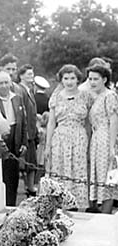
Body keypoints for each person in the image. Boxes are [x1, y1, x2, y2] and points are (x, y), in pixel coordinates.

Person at [45, 64, 92, 210]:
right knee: (60, 169)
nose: (69, 81)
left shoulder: (85, 96)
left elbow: (89, 123)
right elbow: (51, 123)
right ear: (62, 80)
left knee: (78, 169)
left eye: (72, 78)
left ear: (78, 79)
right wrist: (47, 145)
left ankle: (78, 204)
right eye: (66, 78)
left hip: (79, 136)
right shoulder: (56, 97)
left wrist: (89, 143)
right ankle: (59, 203)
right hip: (60, 137)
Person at [0, 71, 28, 206]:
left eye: (6, 82)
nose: (4, 86)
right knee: (0, 173)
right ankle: (0, 203)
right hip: (0, 138)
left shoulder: (17, 98)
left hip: (15, 137)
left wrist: (24, 142)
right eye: (0, 83)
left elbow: (23, 122)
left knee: (13, 174)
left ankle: (11, 204)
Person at [87, 65, 118, 214]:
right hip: (96, 137)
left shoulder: (109, 95)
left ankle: (106, 212)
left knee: (107, 176)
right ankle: (98, 208)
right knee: (99, 174)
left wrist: (112, 146)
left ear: (104, 79)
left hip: (106, 138)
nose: (92, 82)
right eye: (90, 79)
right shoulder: (95, 96)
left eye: (96, 79)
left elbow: (113, 121)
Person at [14, 64, 38, 196]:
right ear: (21, 76)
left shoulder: (30, 90)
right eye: (29, 74)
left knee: (32, 161)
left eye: (32, 73)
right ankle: (27, 186)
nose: (32, 76)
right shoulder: (21, 90)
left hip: (32, 130)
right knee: (26, 162)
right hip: (26, 132)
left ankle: (30, 185)